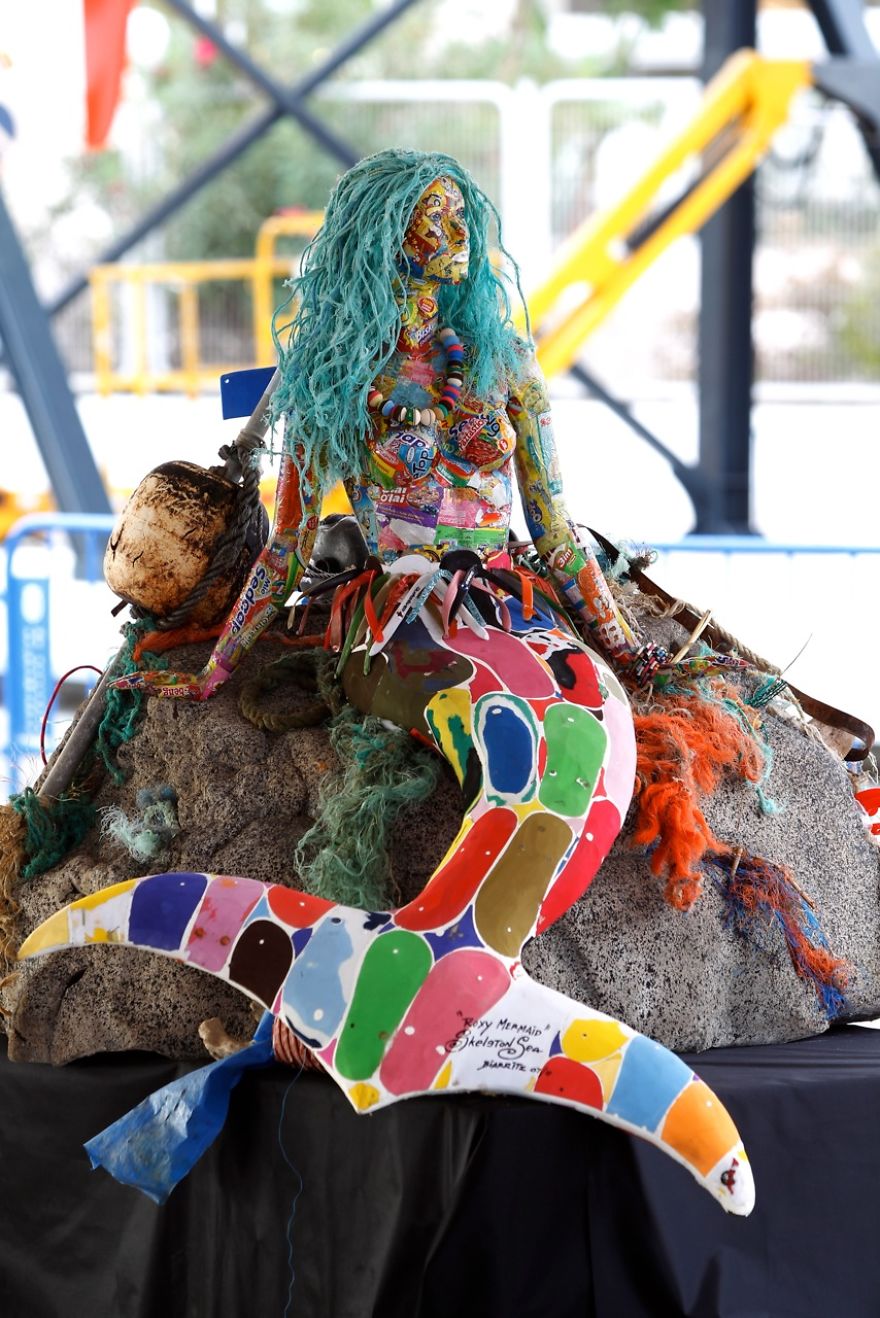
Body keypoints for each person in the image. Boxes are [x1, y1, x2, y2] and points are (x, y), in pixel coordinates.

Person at [72, 148, 752, 1212]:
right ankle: (446, 993)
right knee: (511, 714)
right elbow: (289, 549)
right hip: (392, 612)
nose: (448, 237)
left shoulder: (505, 363)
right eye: (424, 217)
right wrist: (216, 669)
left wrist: (626, 647)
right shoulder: (337, 375)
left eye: (458, 216)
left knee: (588, 717)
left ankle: (419, 981)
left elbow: (555, 531)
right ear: (380, 235)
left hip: (508, 598)